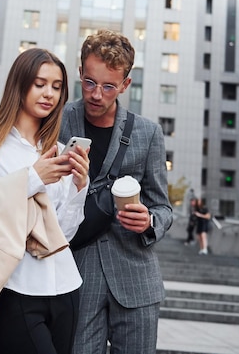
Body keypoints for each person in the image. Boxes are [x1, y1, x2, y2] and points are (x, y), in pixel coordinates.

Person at [0, 48, 90, 354]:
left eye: (57, 87)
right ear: (20, 84)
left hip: (65, 287)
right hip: (12, 288)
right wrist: (32, 178)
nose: (49, 94)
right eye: (40, 83)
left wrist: (79, 187)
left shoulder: (57, 152)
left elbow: (62, 235)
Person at [59, 29, 173, 354]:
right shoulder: (58, 121)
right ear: (80, 72)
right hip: (76, 276)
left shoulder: (148, 133)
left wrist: (149, 221)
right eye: (90, 82)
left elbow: (164, 208)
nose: (97, 94)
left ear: (125, 85)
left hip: (136, 276)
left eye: (109, 86)